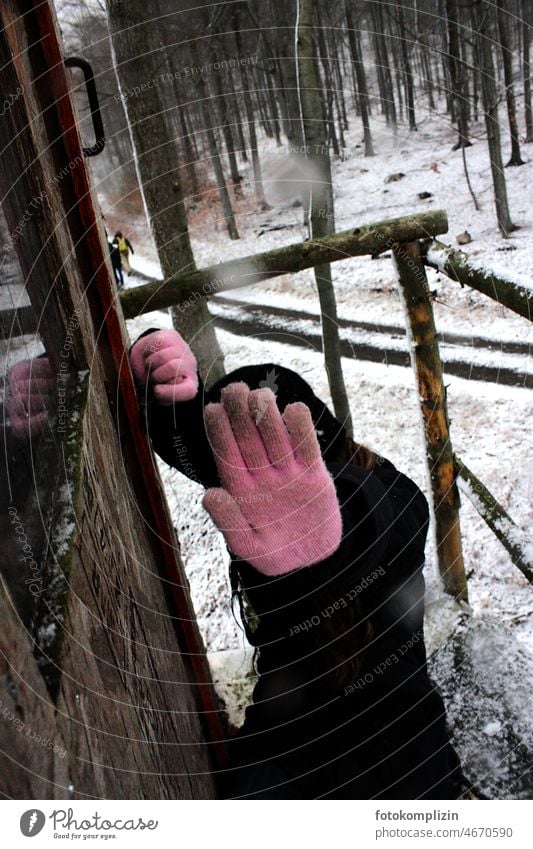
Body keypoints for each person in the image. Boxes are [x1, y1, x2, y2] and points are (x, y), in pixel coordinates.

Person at [130, 328, 463, 800]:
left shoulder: (387, 489)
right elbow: (198, 452)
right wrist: (167, 396)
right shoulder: (250, 501)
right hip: (290, 745)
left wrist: (328, 536)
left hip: (397, 758)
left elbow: (380, 518)